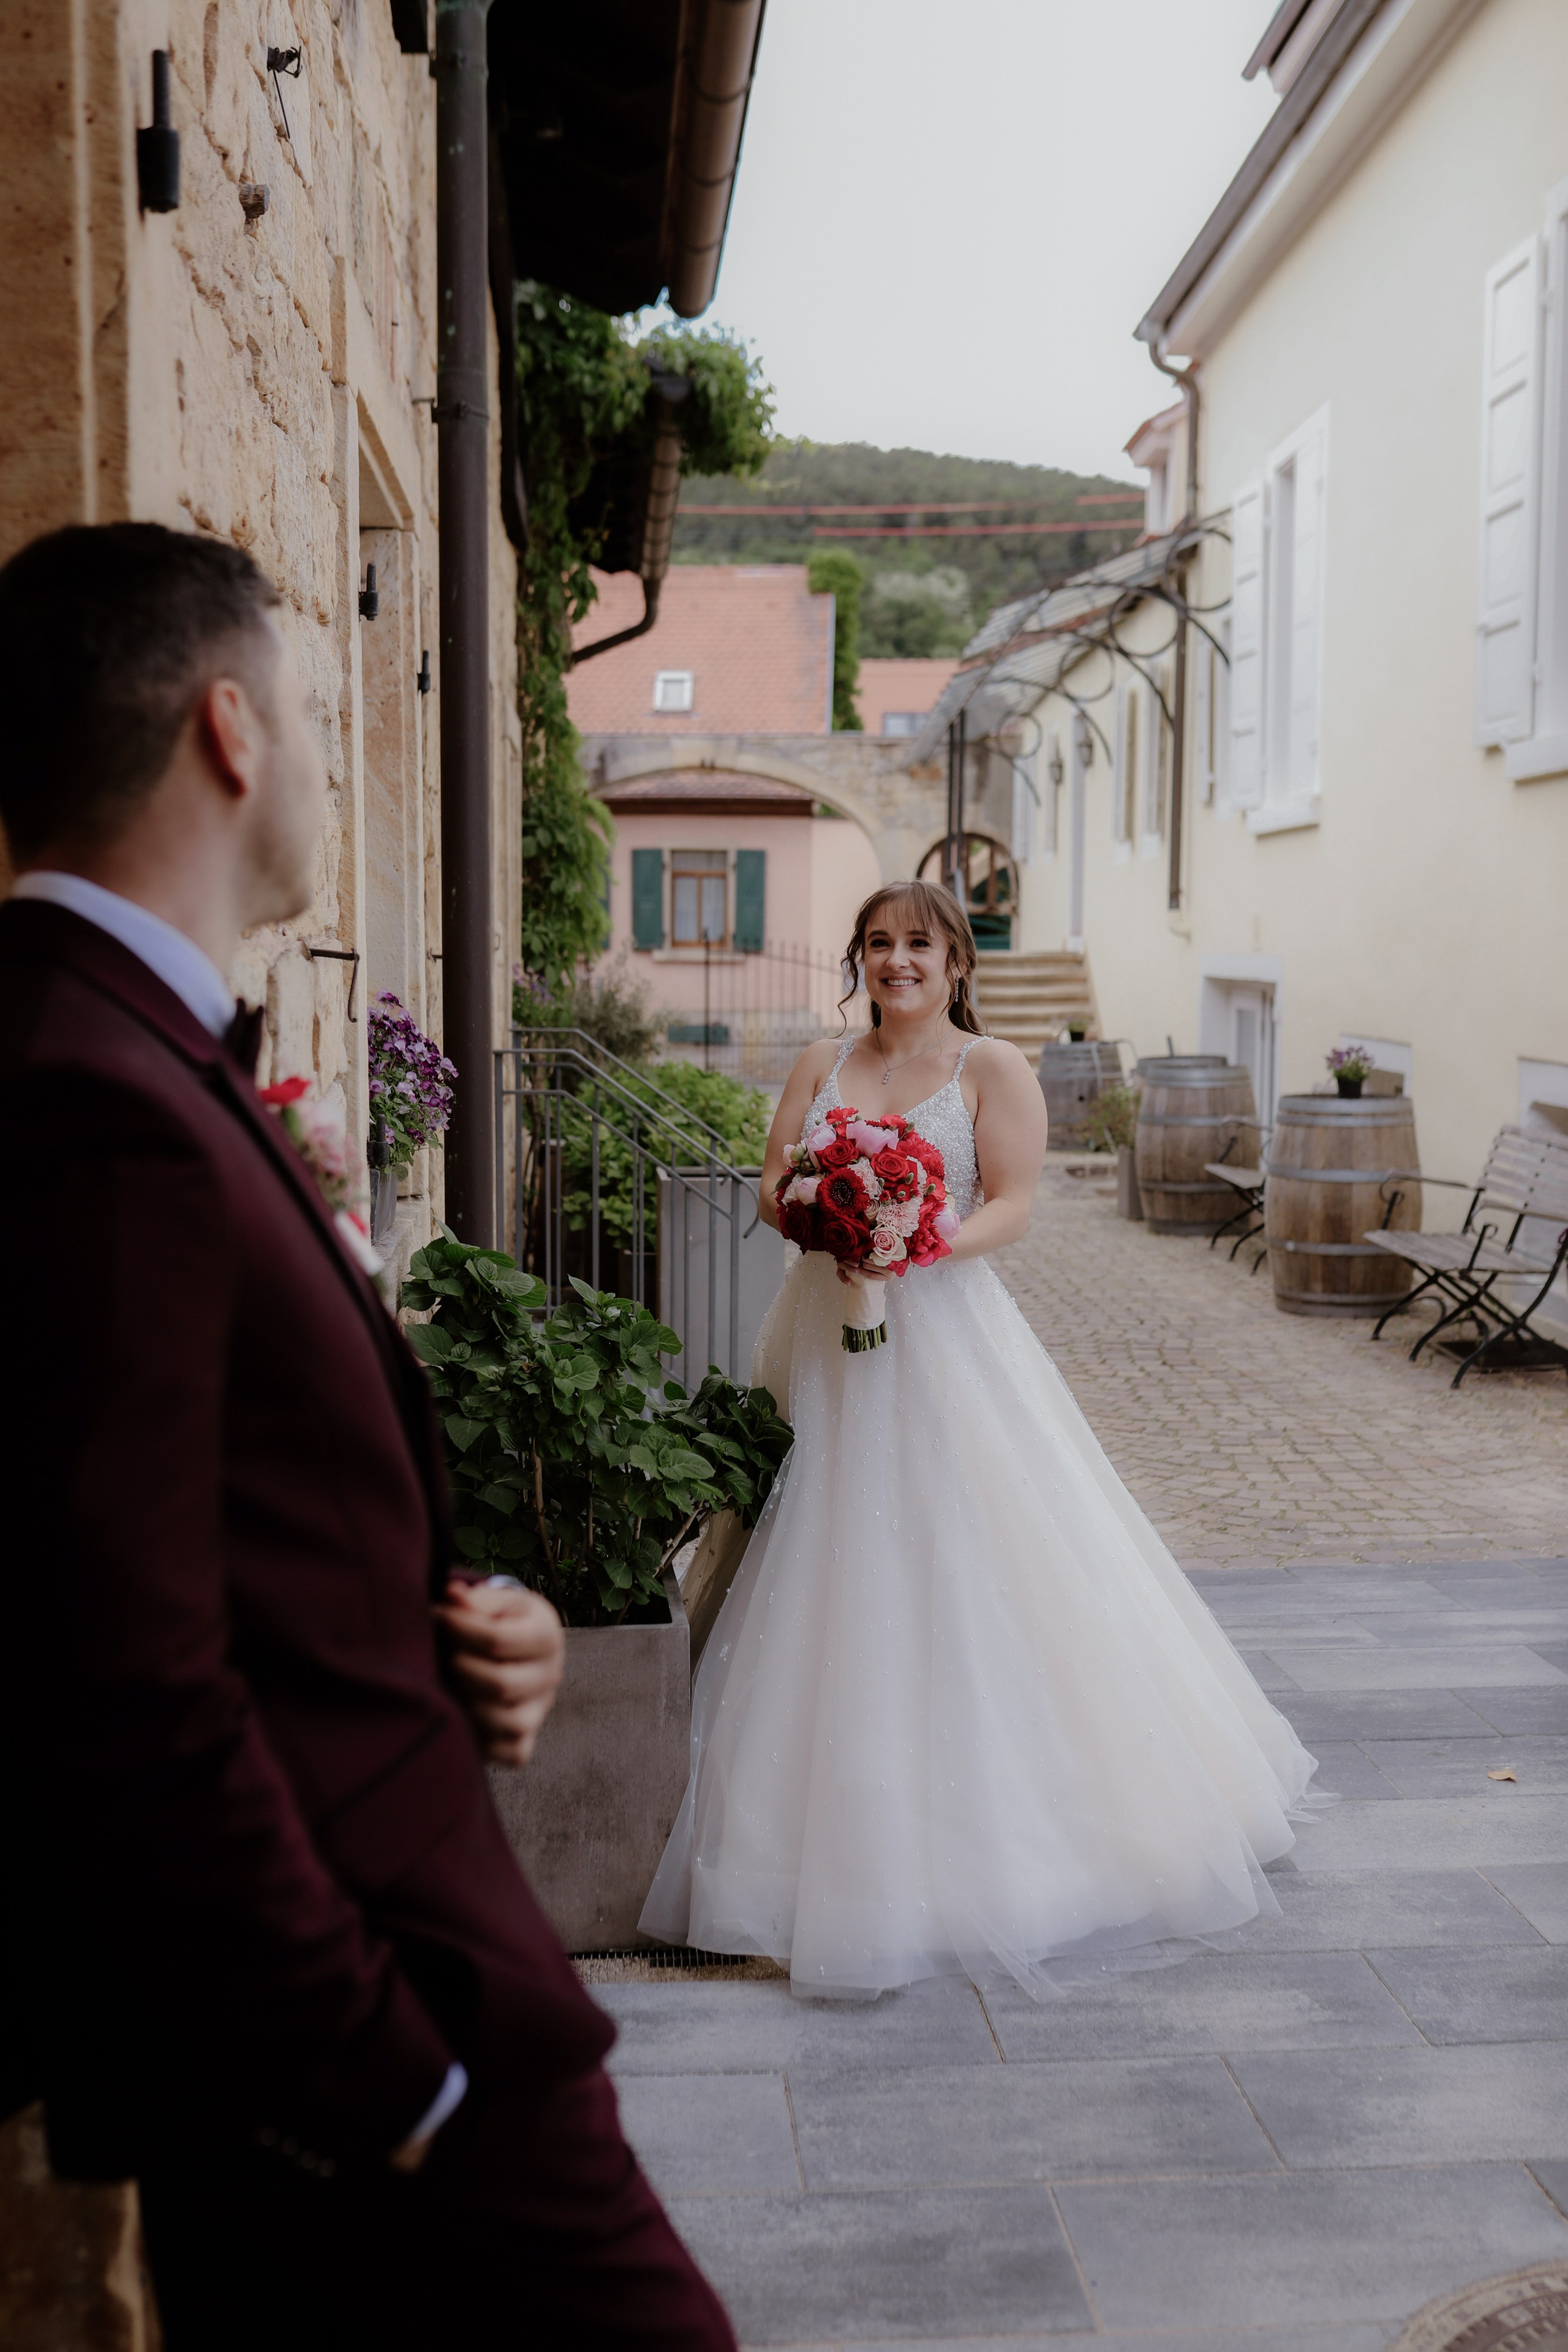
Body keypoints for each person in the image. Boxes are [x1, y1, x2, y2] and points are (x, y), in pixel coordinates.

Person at [0, 522, 734, 2351]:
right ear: (232, 732)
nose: (331, 757)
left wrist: (444, 1622)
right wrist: (384, 2079)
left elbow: (194, 1532)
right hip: (374, 2038)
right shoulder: (100, 1103)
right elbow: (121, 1676)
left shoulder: (125, 1055)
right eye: (320, 712)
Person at [641, 878, 1325, 1997]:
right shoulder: (821, 1064)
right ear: (858, 960)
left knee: (965, 1552)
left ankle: (1013, 1838)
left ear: (957, 961)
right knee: (813, 1547)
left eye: (918, 943)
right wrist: (818, 1213)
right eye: (877, 943)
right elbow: (772, 1184)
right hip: (821, 1335)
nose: (895, 961)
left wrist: (915, 1239)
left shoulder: (991, 1069)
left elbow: (1012, 1201)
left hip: (943, 1336)